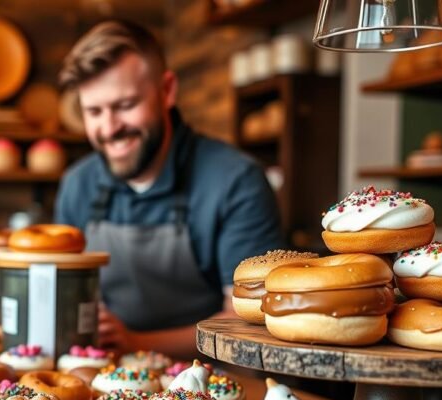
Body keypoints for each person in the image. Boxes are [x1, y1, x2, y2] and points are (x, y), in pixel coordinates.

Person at [55, 20, 284, 357]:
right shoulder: (78, 185)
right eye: (94, 111)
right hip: (104, 378)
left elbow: (247, 320)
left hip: (215, 384)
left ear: (167, 90)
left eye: (125, 106)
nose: (109, 129)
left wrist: (137, 343)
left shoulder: (235, 181)